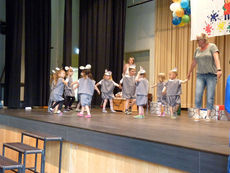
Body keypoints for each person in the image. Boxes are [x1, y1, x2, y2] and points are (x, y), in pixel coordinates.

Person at [187, 33, 222, 121]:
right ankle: (197, 114)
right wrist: (189, 72)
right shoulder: (197, 50)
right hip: (200, 75)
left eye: (199, 40)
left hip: (211, 75)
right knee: (198, 94)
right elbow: (194, 62)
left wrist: (219, 69)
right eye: (197, 40)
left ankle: (208, 114)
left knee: (210, 95)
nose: (198, 42)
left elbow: (216, 58)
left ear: (204, 40)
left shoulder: (212, 46)